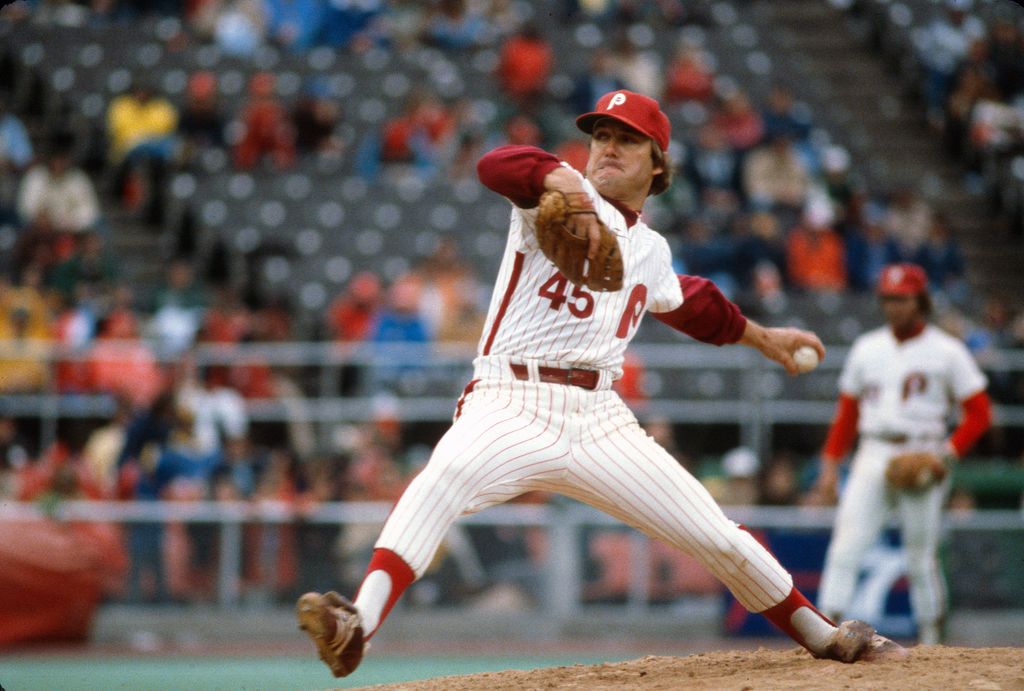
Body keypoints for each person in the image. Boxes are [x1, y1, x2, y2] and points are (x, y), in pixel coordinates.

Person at [296, 90, 905, 678]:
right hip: (510, 400)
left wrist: (762, 337)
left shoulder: (650, 248)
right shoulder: (552, 195)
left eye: (627, 140)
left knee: (715, 534)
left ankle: (825, 637)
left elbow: (689, 301)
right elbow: (495, 164)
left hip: (599, 418)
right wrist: (563, 184)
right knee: (442, 480)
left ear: (658, 163)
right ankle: (359, 624)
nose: (608, 147)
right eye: (602, 136)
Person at [809, 263, 992, 645]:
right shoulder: (867, 347)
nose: (894, 306)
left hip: (923, 451)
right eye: (888, 299)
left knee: (921, 556)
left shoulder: (947, 350)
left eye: (903, 298)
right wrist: (830, 465)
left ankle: (931, 639)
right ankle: (825, 632)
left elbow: (980, 412)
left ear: (920, 300)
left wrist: (945, 454)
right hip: (874, 450)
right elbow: (847, 414)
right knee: (845, 546)